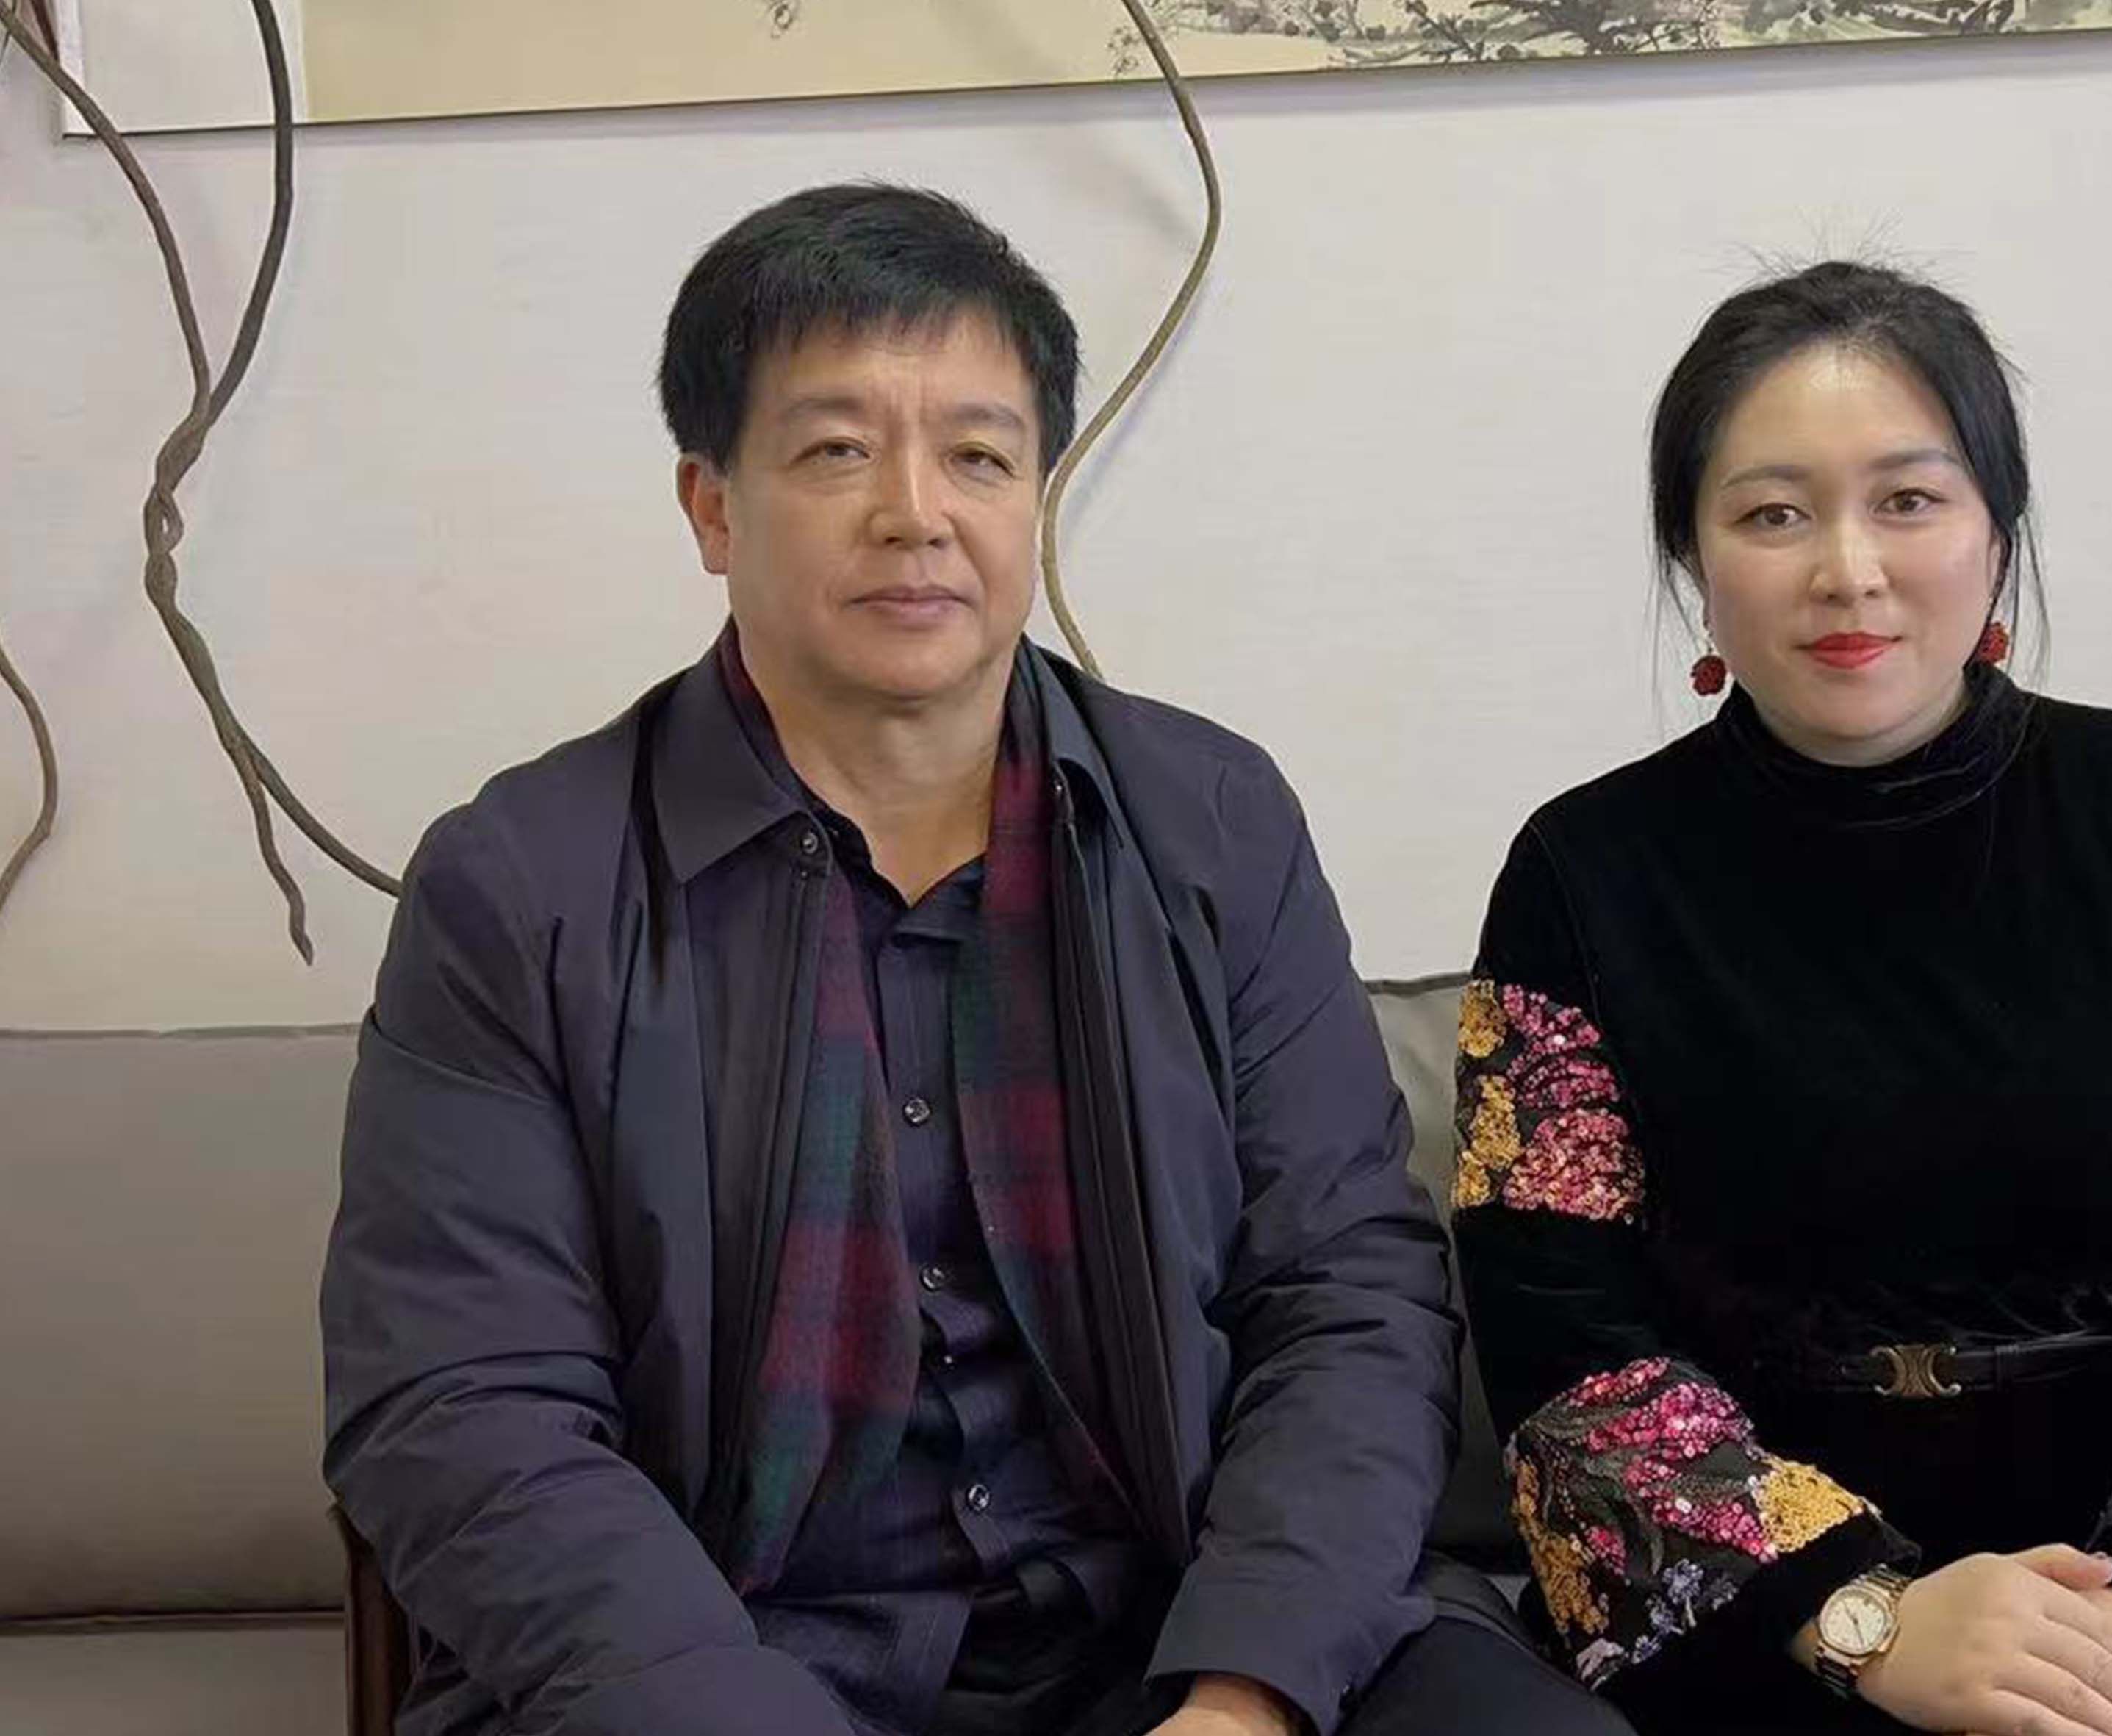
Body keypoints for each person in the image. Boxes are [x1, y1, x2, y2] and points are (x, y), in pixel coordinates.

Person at [321, 182, 1629, 1736]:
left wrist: (1248, 1688)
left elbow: (1345, 1291)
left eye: (978, 455)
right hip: (718, 1669)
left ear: (1035, 497)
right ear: (711, 506)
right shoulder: (521, 884)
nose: (914, 512)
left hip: (1174, 1625)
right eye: (834, 450)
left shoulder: (1211, 822)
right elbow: (465, 1404)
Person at [1451, 262, 2112, 1736]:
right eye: (1772, 514)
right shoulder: (1579, 871)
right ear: (1692, 556)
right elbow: (1553, 1316)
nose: (1847, 570)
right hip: (1756, 1586)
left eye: (1906, 500)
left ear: (1996, 531)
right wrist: (1864, 1618)